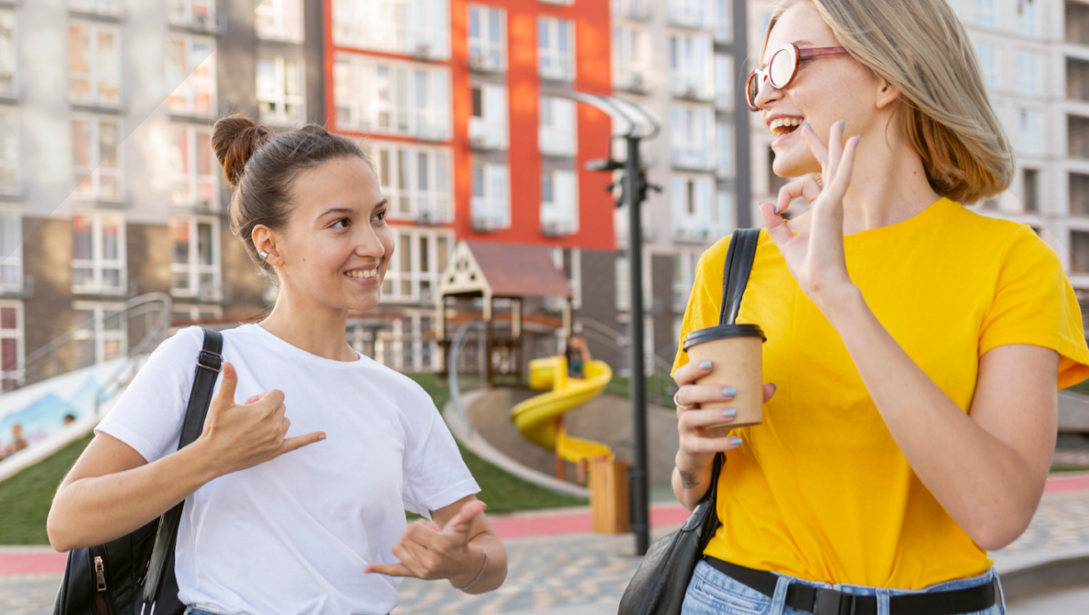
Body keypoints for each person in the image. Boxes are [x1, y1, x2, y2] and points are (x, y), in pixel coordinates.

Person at [670, 1, 1089, 614]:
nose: (762, 99)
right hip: (736, 597)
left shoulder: (1012, 262)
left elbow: (997, 514)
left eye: (785, 65)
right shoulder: (730, 266)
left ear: (891, 73)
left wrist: (841, 300)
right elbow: (691, 491)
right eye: (759, 78)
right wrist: (691, 451)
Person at [47, 116, 507, 615]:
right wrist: (210, 457)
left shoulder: (401, 398)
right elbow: (68, 521)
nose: (374, 245)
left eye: (378, 215)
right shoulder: (203, 360)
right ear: (270, 244)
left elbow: (487, 549)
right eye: (340, 223)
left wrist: (460, 564)